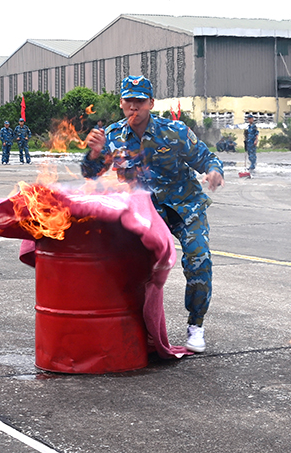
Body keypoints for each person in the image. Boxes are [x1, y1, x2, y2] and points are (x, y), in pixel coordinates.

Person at [81, 75, 224, 353]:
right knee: (130, 267)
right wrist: (94, 153)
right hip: (144, 212)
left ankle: (196, 325)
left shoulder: (174, 131)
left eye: (140, 101)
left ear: (151, 103)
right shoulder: (112, 136)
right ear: (121, 103)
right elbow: (91, 173)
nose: (134, 107)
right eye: (128, 101)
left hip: (184, 207)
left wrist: (214, 171)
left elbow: (205, 158)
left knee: (198, 259)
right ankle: (133, 324)